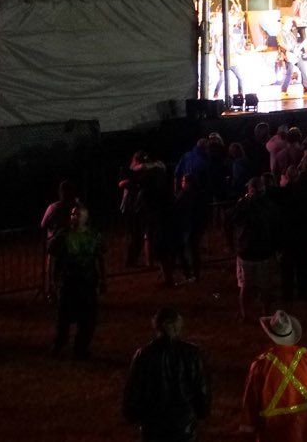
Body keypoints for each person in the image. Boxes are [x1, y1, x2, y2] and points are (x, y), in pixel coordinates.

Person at [122, 307, 211, 442]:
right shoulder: (192, 354)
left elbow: (133, 391)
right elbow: (201, 389)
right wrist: (201, 411)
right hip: (184, 427)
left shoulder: (144, 355)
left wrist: (133, 414)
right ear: (178, 325)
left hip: (153, 427)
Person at [241, 310, 307, 442]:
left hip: (272, 434)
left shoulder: (261, 364)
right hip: (302, 432)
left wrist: (248, 431)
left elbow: (251, 403)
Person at [47, 204, 106, 358]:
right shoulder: (63, 235)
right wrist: (52, 282)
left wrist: (103, 280)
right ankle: (58, 344)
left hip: (87, 282)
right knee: (64, 318)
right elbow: (53, 260)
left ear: (86, 217)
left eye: (78, 214)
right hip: (69, 283)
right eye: (72, 214)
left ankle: (81, 348)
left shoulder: (94, 235)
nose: (74, 217)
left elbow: (100, 258)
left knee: (88, 318)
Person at [230, 175, 281, 321]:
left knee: (246, 285)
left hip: (247, 251)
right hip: (265, 252)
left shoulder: (245, 204)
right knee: (265, 285)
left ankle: (245, 314)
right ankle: (266, 312)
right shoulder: (270, 205)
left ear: (251, 189)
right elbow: (276, 226)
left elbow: (233, 218)